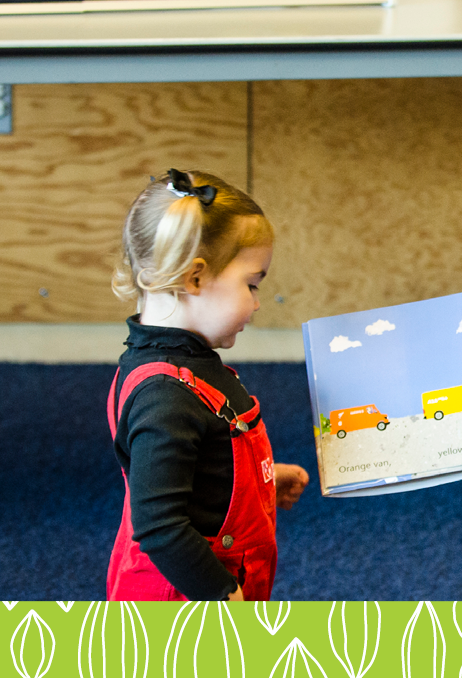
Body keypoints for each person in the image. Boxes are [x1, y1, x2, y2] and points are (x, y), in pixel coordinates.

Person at [107, 169, 310, 601]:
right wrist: (223, 596)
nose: (257, 303)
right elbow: (160, 525)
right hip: (184, 604)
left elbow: (198, 465)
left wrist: (262, 481)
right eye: (251, 284)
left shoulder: (189, 364)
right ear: (195, 278)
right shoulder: (165, 396)